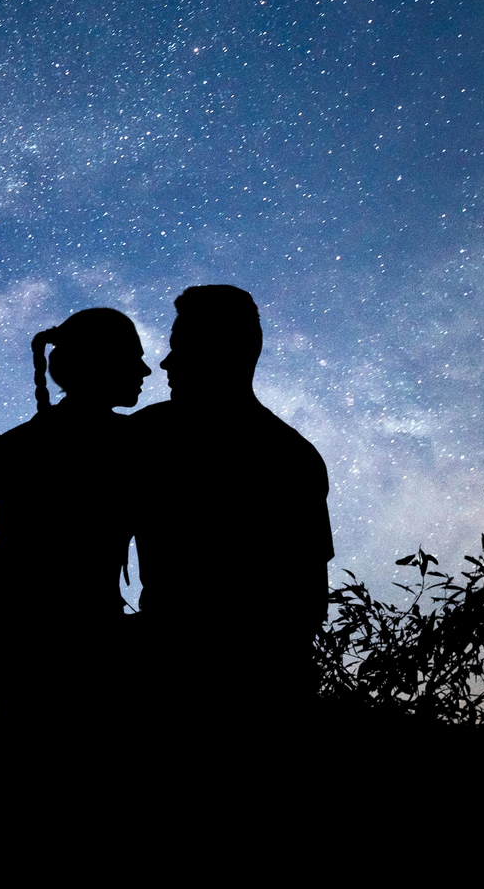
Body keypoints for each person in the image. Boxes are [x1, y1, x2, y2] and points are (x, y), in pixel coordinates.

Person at [129, 285, 333, 719]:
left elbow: (306, 601)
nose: (165, 362)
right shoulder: (295, 456)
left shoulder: (147, 438)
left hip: (186, 677)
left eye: (180, 348)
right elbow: (310, 602)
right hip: (259, 679)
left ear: (221, 353)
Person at [0, 307, 150, 717]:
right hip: (56, 649)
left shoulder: (14, 447)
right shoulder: (132, 445)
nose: (146, 371)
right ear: (100, 363)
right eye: (133, 358)